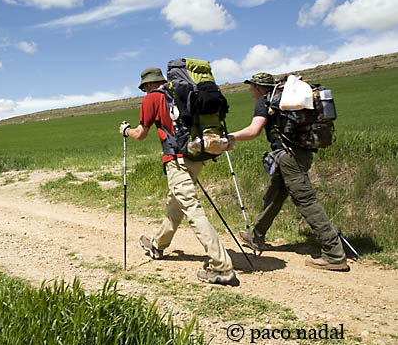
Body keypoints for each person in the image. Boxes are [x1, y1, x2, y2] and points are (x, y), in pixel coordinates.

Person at [119, 67, 238, 286]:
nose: (145, 91)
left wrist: (126, 131)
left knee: (191, 208)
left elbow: (141, 134)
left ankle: (222, 268)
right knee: (175, 202)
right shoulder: (181, 93)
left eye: (145, 88)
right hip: (196, 154)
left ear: (147, 85)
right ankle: (157, 245)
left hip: (176, 160)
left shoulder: (152, 99)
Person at [228, 73, 349, 271]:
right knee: (274, 195)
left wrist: (229, 137)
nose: (250, 90)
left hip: (288, 157)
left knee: (306, 201)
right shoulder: (285, 98)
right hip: (301, 153)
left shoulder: (265, 102)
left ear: (259, 87)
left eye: (251, 87)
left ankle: (334, 254)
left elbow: (254, 131)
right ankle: (257, 237)